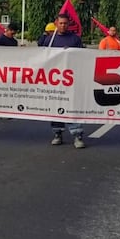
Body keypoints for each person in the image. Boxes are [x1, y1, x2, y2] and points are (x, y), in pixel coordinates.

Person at [39, 13, 87, 148]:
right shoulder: (49, 39)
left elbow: (81, 57)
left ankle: (77, 135)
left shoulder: (74, 39)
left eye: (65, 23)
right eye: (60, 23)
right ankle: (57, 133)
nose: (63, 26)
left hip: (70, 80)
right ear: (56, 23)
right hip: (54, 80)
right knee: (55, 107)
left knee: (72, 107)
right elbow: (41, 56)